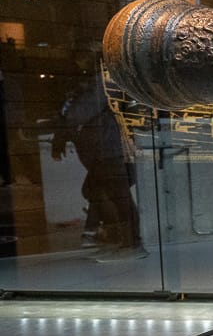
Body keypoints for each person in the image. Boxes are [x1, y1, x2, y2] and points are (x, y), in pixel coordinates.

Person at [51, 63, 146, 261]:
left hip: (108, 151)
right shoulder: (90, 87)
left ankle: (131, 242)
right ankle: (119, 238)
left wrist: (61, 131)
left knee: (117, 196)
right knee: (100, 192)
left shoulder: (101, 84)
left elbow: (77, 114)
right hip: (102, 151)